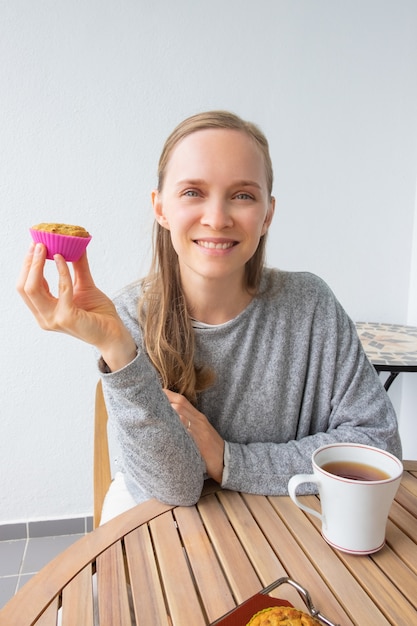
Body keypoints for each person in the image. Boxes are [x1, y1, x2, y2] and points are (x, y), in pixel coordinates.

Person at [17, 110, 402, 523]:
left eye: (242, 195)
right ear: (160, 207)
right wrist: (117, 349)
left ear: (267, 214)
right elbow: (176, 488)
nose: (217, 219)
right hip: (168, 529)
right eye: (192, 192)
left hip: (290, 526)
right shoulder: (127, 316)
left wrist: (229, 459)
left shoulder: (311, 306)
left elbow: (376, 446)